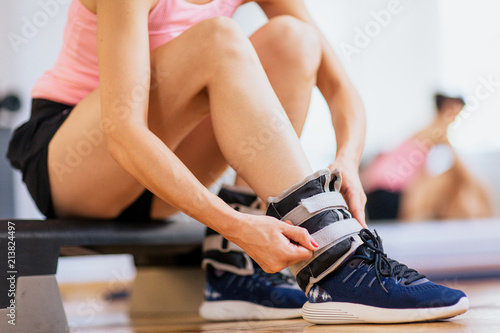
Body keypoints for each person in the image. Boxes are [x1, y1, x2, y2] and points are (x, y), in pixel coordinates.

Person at [7, 0, 467, 324]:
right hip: (76, 163)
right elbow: (124, 132)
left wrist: (347, 159)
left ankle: (233, 271)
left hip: (162, 174)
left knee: (295, 39)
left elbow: (341, 87)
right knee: (218, 38)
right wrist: (231, 223)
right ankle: (338, 263)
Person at [361, 93, 493, 221]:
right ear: (448, 107)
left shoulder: (425, 130)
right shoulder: (437, 131)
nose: (456, 118)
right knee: (451, 180)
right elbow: (461, 169)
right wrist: (484, 193)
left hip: (376, 193)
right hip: (386, 194)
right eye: (457, 112)